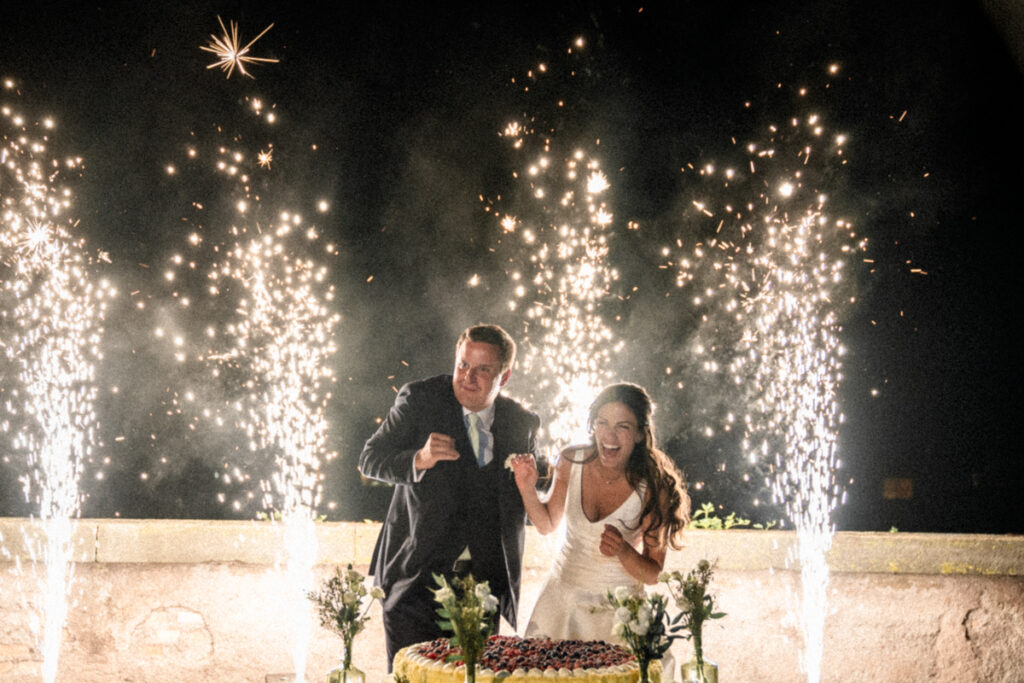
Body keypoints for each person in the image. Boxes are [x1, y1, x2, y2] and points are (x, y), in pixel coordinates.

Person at [359, 324, 541, 669]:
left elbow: (533, 485)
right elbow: (370, 459)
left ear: (504, 376)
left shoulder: (521, 422)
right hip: (414, 578)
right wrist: (419, 459)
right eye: (462, 365)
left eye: (483, 370)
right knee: (411, 676)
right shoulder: (419, 400)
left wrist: (537, 479)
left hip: (483, 586)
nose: (468, 377)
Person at [510, 382, 690, 642]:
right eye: (602, 423)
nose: (610, 436)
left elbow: (652, 574)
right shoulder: (570, 461)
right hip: (561, 602)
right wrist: (527, 488)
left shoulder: (653, 486)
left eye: (623, 427)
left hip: (619, 614)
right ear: (592, 425)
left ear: (640, 434)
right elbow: (546, 524)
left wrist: (624, 551)